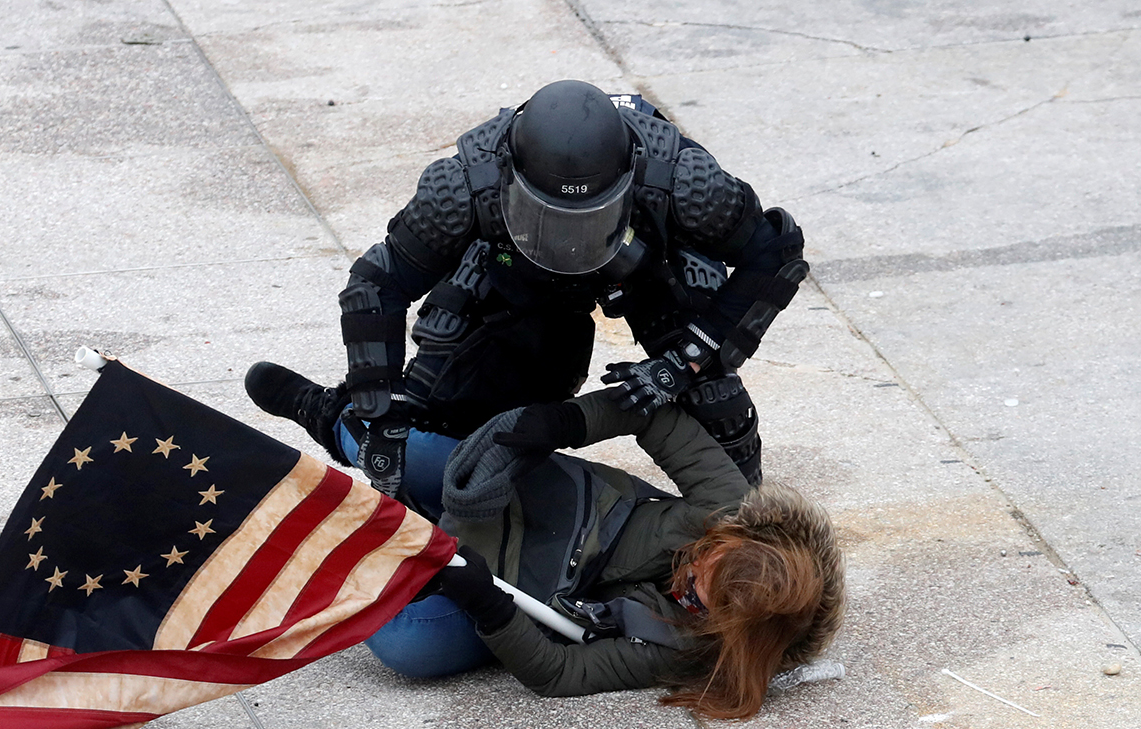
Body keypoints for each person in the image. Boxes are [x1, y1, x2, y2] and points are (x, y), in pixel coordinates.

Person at [245, 79, 808, 517]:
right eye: (553, 215)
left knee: (719, 422)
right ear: (508, 177)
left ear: (632, 176)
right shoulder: (463, 186)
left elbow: (776, 253)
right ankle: (332, 416)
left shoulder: (684, 181)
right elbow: (376, 284)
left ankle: (744, 517)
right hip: (517, 267)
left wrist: (690, 357)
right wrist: (380, 412)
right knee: (430, 422)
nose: (570, 238)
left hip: (643, 264)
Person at [363, 389, 844, 720]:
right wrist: (567, 421)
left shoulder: (683, 647)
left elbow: (558, 673)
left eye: (697, 598)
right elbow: (653, 415)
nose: (688, 573)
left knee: (407, 647)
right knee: (396, 449)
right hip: (543, 502)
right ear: (740, 535)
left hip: (517, 595)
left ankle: (366, 544)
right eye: (708, 551)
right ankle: (319, 412)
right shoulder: (729, 505)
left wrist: (489, 606)